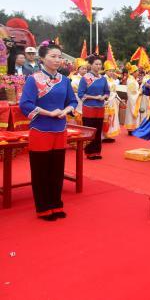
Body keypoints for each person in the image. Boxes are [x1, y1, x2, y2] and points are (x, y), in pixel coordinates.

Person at [19, 41, 77, 221]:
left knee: (57, 170)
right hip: (40, 129)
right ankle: (43, 208)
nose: (57, 60)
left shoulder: (65, 80)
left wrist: (65, 111)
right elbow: (25, 104)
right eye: (53, 56)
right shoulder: (33, 79)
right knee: (41, 171)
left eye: (59, 57)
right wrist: (49, 113)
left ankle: (56, 204)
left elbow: (72, 102)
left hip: (60, 129)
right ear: (42, 58)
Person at [78, 56, 110, 160]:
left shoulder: (103, 79)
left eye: (100, 64)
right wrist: (95, 97)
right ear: (91, 65)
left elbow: (107, 92)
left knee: (98, 129)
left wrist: (104, 97)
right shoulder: (85, 78)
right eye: (96, 64)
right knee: (90, 130)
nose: (98, 66)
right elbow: (81, 94)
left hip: (100, 107)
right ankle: (89, 152)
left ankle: (97, 151)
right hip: (89, 108)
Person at [102, 61, 121, 142]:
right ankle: (104, 135)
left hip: (113, 101)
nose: (111, 72)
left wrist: (119, 99)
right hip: (107, 101)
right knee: (106, 118)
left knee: (112, 118)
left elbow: (114, 91)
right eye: (109, 70)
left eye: (112, 71)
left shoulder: (112, 80)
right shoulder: (103, 79)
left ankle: (109, 134)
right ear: (105, 71)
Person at [68, 58, 88, 125]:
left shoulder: (89, 79)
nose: (85, 70)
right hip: (74, 97)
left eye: (86, 69)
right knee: (74, 115)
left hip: (84, 98)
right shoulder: (72, 77)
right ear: (78, 69)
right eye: (83, 69)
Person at [124, 63, 142, 134]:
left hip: (134, 100)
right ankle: (131, 129)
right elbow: (132, 93)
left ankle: (133, 128)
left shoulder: (132, 79)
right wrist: (139, 92)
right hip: (133, 100)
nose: (138, 73)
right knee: (132, 114)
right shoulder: (131, 81)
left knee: (132, 115)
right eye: (137, 71)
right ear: (133, 72)